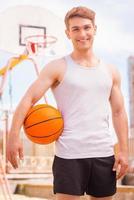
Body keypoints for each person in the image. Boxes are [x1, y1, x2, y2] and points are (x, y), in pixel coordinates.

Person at [6, 6, 129, 200]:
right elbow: (28, 99)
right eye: (76, 29)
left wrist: (123, 150)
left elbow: (119, 112)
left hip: (104, 153)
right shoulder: (58, 67)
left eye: (87, 28)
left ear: (95, 29)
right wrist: (13, 137)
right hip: (69, 155)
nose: (82, 34)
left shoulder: (110, 71)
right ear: (67, 33)